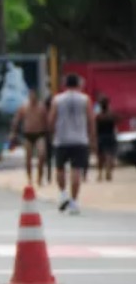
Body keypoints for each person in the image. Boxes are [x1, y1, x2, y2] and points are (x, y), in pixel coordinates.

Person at [48, 74, 96, 215]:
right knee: (76, 170)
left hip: (61, 139)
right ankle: (74, 202)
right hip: (79, 139)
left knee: (60, 168)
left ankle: (63, 193)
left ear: (65, 84)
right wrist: (92, 137)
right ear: (78, 84)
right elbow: (91, 119)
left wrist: (52, 133)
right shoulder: (85, 99)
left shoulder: (57, 99)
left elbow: (51, 119)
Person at [9, 89, 51, 187]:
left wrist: (49, 133)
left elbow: (47, 121)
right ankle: (29, 179)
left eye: (34, 96)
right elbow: (16, 120)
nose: (32, 98)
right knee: (28, 158)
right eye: (31, 95)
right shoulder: (24, 107)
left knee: (41, 155)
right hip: (28, 135)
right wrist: (13, 133)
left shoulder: (42, 107)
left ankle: (39, 178)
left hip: (40, 134)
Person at [95, 96, 118, 182]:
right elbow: (118, 120)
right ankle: (109, 171)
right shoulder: (111, 115)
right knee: (110, 155)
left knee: (100, 157)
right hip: (110, 136)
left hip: (100, 137)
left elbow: (95, 127)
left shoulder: (98, 116)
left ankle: (100, 173)